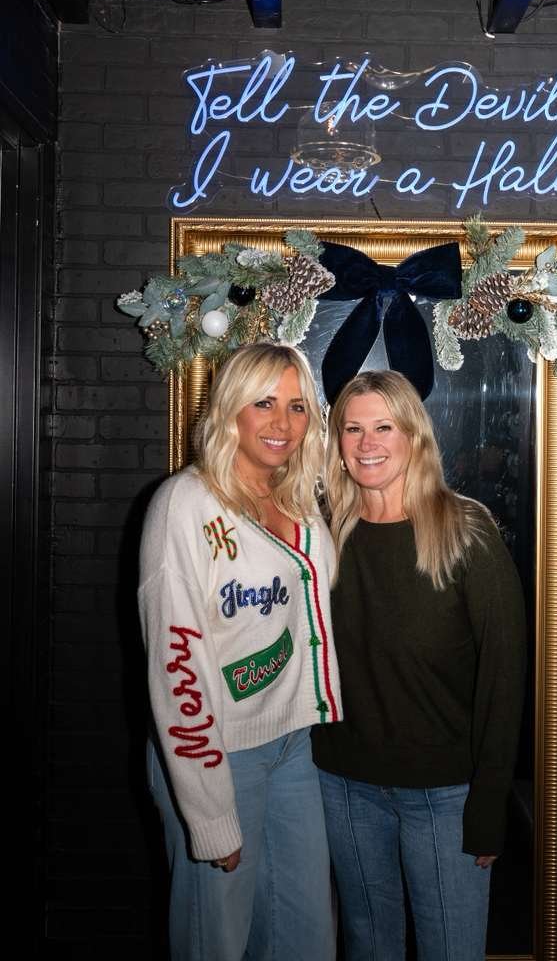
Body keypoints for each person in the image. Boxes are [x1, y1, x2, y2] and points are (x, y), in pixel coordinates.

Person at [311, 370, 527, 961]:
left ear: (415, 437)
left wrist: (490, 803)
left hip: (444, 795)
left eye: (384, 426)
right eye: (352, 428)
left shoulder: (465, 531)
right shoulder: (323, 534)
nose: (367, 442)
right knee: (368, 946)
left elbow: (504, 681)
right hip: (344, 784)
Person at [139, 342, 342, 961]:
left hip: (294, 748)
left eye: (297, 406)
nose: (282, 423)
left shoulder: (303, 506)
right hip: (218, 752)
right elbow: (177, 669)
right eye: (264, 403)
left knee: (309, 938)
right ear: (231, 409)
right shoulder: (186, 503)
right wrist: (209, 811)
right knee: (216, 943)